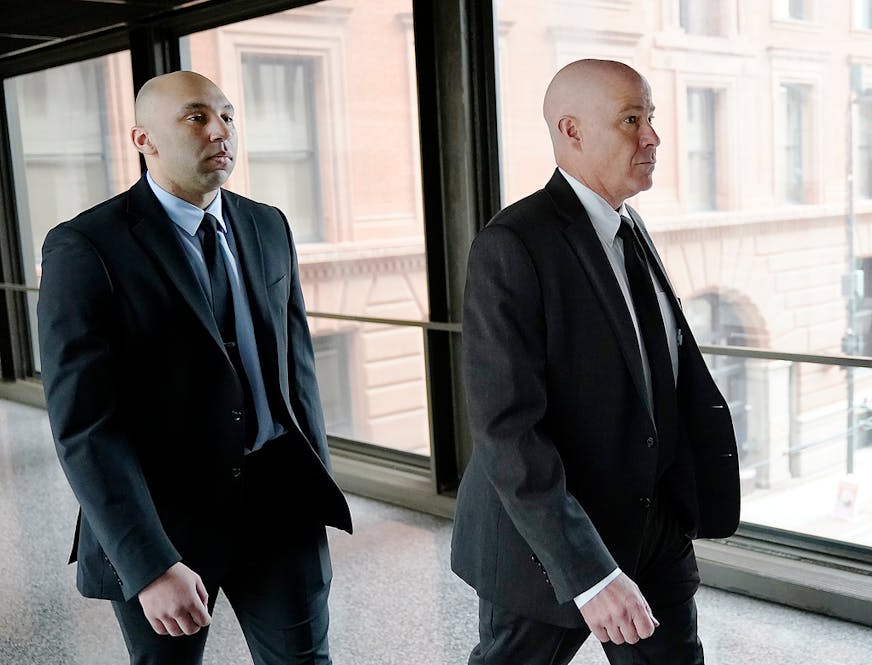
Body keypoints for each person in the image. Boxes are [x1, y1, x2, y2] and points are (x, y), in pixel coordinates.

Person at [37, 70, 352, 665]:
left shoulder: (267, 224)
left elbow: (298, 372)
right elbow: (84, 425)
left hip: (279, 505)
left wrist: (314, 485)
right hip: (164, 519)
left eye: (228, 116)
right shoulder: (86, 247)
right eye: (196, 116)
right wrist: (148, 563)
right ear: (143, 140)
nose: (220, 130)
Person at [450, 59, 740, 664]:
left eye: (651, 117)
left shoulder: (629, 225)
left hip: (653, 527)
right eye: (631, 120)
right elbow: (507, 430)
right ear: (571, 130)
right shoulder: (514, 244)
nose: (653, 137)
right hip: (549, 542)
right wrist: (586, 571)